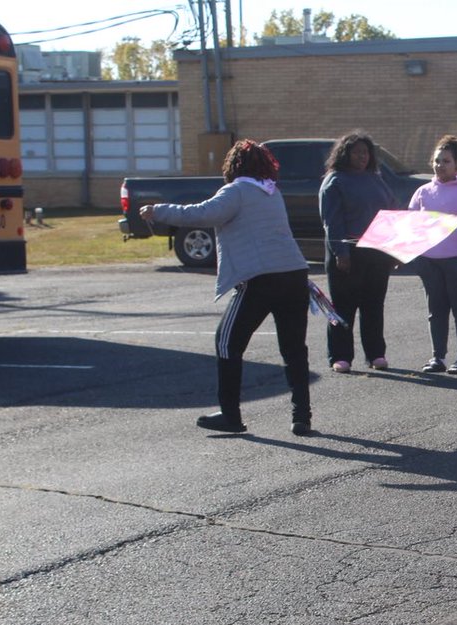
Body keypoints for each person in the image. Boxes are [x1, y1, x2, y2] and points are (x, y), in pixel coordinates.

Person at [140, 140, 312, 435]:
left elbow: (202, 214)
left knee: (227, 343)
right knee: (293, 348)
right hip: (295, 274)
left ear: (233, 166)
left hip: (260, 278)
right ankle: (302, 416)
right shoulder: (271, 192)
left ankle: (230, 415)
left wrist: (158, 211)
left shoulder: (236, 191)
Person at [409, 135, 457, 374]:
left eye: (445, 161)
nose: (439, 165)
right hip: (430, 263)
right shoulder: (423, 192)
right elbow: (411, 223)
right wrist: (418, 255)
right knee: (436, 311)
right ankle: (438, 357)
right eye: (436, 161)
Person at [319, 131, 398, 373]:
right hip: (348, 254)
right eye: (357, 152)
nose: (363, 156)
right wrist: (341, 252)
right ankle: (341, 356)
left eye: (366, 152)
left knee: (373, 306)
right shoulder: (335, 180)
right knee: (343, 307)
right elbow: (332, 221)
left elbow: (391, 214)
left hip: (377, 253)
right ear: (346, 154)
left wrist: (395, 250)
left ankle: (376, 354)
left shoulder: (375, 178)